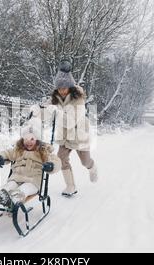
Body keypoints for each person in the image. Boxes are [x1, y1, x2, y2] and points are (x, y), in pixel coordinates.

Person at [30, 60, 98, 197]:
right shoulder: (55, 98)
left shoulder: (78, 99)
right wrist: (36, 111)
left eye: (64, 88)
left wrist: (56, 111)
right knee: (61, 159)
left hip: (79, 134)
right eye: (59, 88)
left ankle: (92, 167)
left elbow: (71, 122)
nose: (61, 91)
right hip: (65, 136)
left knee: (85, 161)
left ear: (70, 87)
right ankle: (70, 186)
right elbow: (46, 109)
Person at [0, 118, 61, 208]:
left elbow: (56, 161)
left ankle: (12, 199)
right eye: (26, 139)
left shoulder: (43, 152)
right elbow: (7, 153)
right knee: (8, 186)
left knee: (23, 189)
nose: (29, 142)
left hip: (33, 182)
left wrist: (51, 165)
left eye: (32, 139)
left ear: (37, 140)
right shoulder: (18, 150)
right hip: (16, 179)